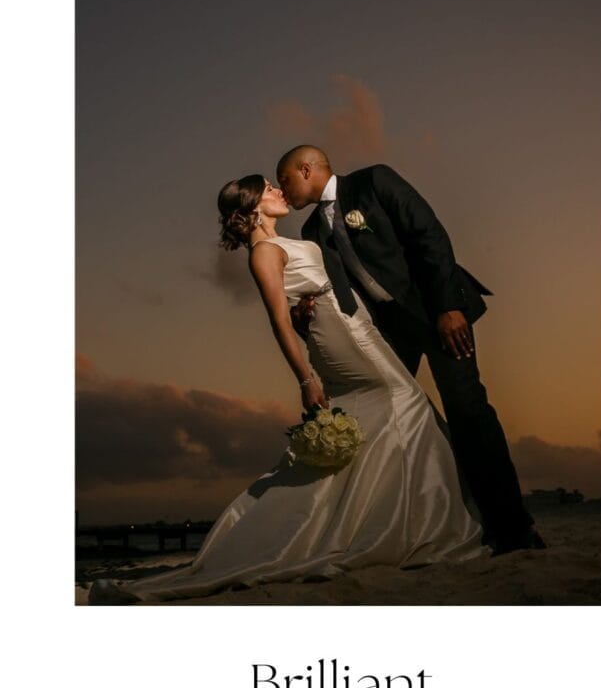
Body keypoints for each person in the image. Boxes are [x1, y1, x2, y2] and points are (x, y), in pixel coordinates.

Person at [87, 174, 485, 605]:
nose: (279, 191)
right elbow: (278, 321)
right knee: (405, 401)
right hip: (342, 337)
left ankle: (379, 522)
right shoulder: (263, 253)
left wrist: (307, 302)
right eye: (268, 189)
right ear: (253, 206)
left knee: (383, 416)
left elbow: (303, 293)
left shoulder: (282, 243)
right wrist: (306, 379)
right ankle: (415, 525)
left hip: (351, 324)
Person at [276, 144, 545, 556]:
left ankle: (512, 528)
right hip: (388, 333)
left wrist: (448, 307)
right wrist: (305, 314)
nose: (282, 189)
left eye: (285, 179)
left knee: (467, 410)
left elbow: (429, 235)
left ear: (307, 169)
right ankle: (411, 530)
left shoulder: (374, 181)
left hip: (437, 313)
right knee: (388, 422)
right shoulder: (312, 232)